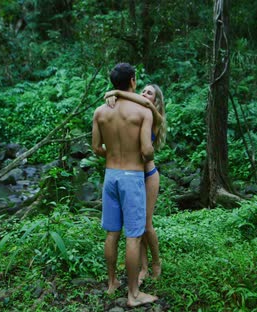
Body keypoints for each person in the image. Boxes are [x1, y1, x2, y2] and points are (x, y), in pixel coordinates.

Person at [91, 63, 158, 307]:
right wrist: (144, 155)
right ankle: (133, 294)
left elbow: (97, 148)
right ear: (132, 81)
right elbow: (147, 150)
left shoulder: (100, 112)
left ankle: (112, 283)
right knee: (133, 236)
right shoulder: (142, 112)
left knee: (112, 232)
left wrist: (112, 155)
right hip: (132, 177)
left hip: (110, 175)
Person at [104, 84, 166, 285]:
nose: (145, 94)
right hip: (131, 175)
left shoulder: (155, 117)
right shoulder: (134, 114)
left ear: (156, 102)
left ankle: (156, 263)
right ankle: (144, 268)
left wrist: (118, 92)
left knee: (146, 225)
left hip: (148, 174)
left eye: (150, 93)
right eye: (144, 91)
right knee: (135, 226)